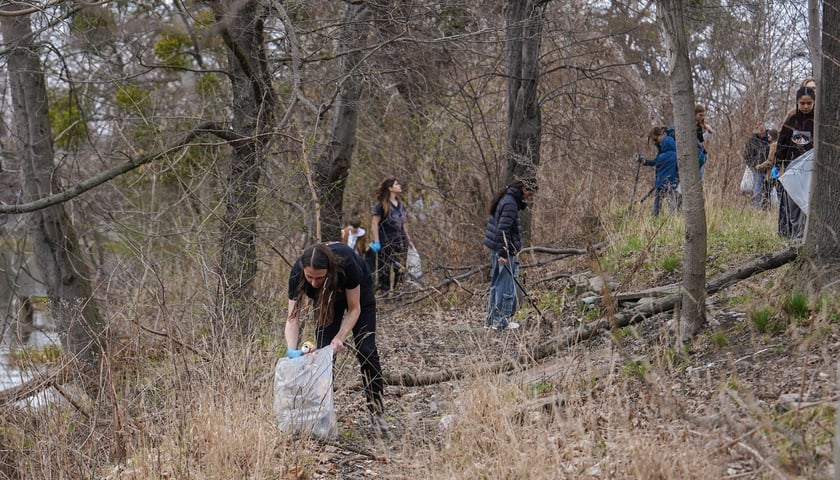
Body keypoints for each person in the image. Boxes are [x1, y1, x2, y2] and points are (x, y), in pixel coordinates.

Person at [285, 242, 388, 432]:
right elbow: (293, 318)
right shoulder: (297, 274)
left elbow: (354, 308)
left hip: (359, 296)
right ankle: (322, 416)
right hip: (327, 301)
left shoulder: (347, 263)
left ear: (329, 270)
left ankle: (377, 413)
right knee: (323, 356)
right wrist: (291, 350)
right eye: (309, 277)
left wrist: (340, 336)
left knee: (366, 350)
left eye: (319, 277)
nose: (313, 283)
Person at [482, 180, 536, 330]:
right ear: (523, 188)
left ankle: (491, 321)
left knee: (496, 284)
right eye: (529, 193)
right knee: (505, 286)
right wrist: (503, 253)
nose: (530, 197)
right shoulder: (510, 203)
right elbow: (502, 230)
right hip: (504, 249)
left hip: (497, 247)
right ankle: (500, 322)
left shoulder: (506, 197)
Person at [775, 86, 815, 239]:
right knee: (793, 205)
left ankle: (804, 237)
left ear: (814, 103)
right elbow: (782, 143)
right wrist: (778, 163)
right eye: (802, 103)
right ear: (797, 102)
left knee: (806, 203)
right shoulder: (791, 121)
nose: (805, 106)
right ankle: (795, 236)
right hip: (792, 168)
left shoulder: (817, 122)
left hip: (811, 170)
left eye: (809, 103)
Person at [369, 178, 413, 294]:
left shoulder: (400, 205)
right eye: (396, 184)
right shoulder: (382, 205)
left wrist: (408, 239)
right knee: (385, 270)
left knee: (400, 269)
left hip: (401, 242)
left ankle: (399, 293)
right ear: (390, 188)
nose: (399, 186)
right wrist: (376, 241)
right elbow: (374, 223)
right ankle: (385, 294)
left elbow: (403, 224)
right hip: (386, 242)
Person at [638, 126, 680, 216]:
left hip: (667, 181)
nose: (655, 142)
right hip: (666, 181)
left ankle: (661, 218)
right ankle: (670, 219)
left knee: (664, 205)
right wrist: (645, 162)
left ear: (661, 135)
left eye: (655, 139)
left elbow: (658, 162)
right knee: (668, 205)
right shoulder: (664, 150)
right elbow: (657, 162)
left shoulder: (668, 147)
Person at [743, 123, 771, 209]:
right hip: (757, 168)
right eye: (760, 130)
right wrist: (753, 165)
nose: (762, 132)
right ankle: (756, 207)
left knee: (768, 187)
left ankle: (767, 206)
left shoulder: (770, 139)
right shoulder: (752, 141)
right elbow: (746, 156)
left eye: (763, 130)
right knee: (757, 186)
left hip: (769, 168)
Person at [695, 104, 714, 178]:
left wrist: (708, 133)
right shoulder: (692, 125)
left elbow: (700, 139)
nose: (702, 117)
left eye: (703, 115)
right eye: (700, 115)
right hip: (695, 152)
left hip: (699, 152)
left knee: (700, 176)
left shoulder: (699, 125)